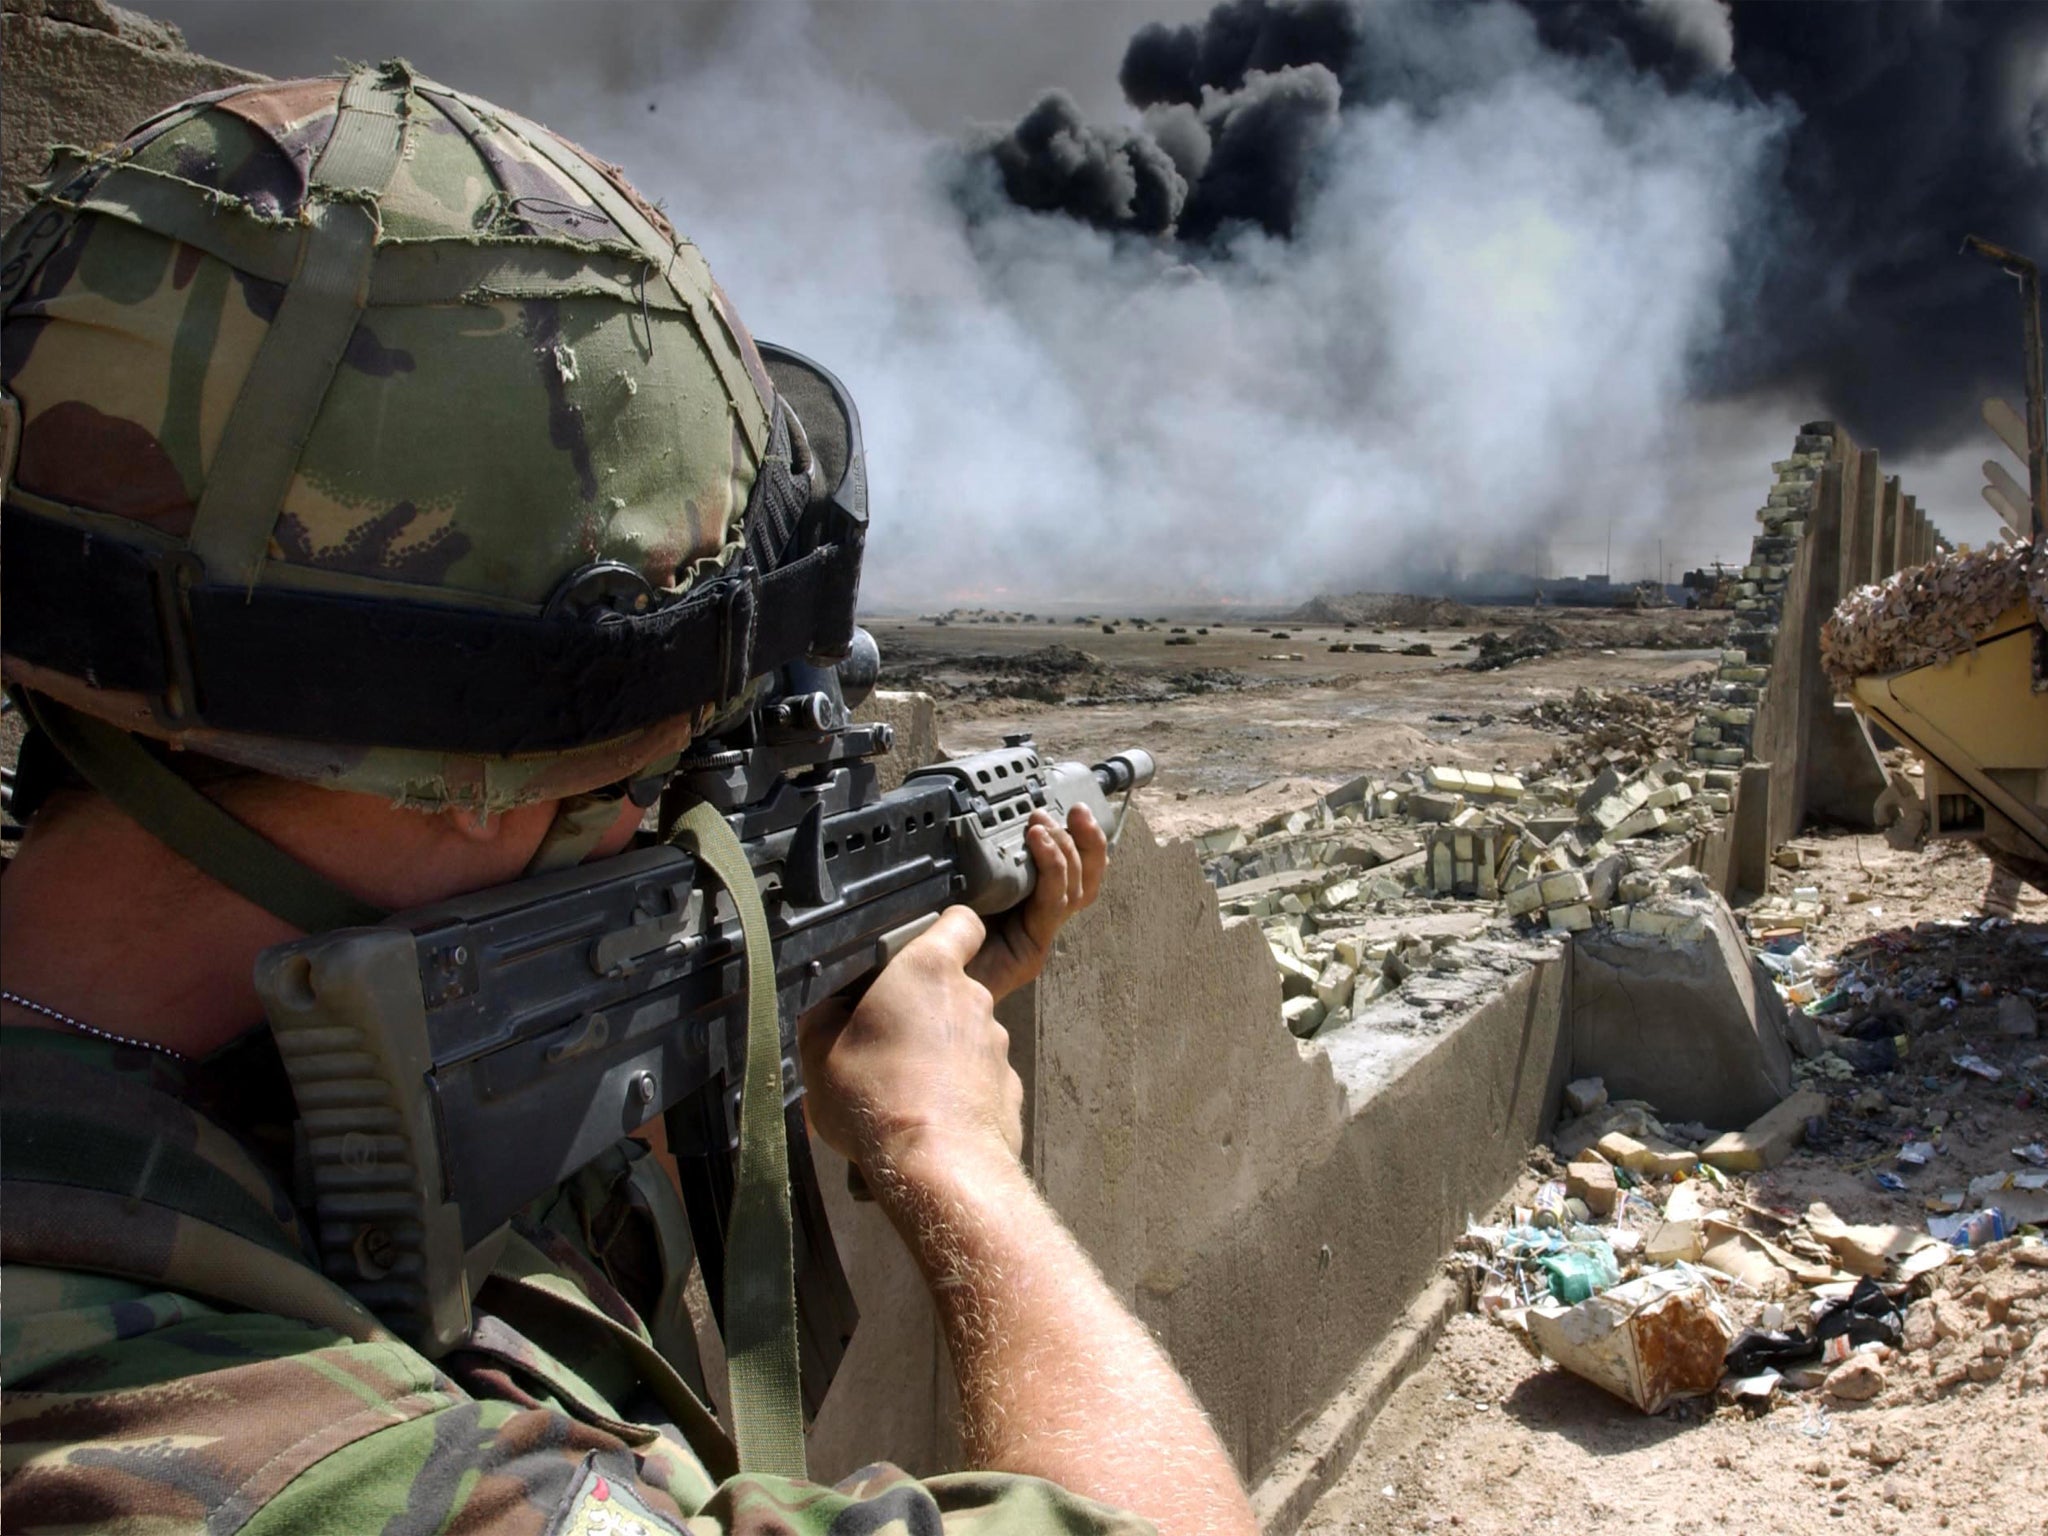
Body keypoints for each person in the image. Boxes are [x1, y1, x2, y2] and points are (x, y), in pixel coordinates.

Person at [0, 65, 1258, 1536]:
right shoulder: (243, 1460)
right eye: (649, 779)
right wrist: (946, 1150)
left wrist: (733, 1025)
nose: (661, 825)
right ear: (472, 783)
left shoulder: (185, 1078)